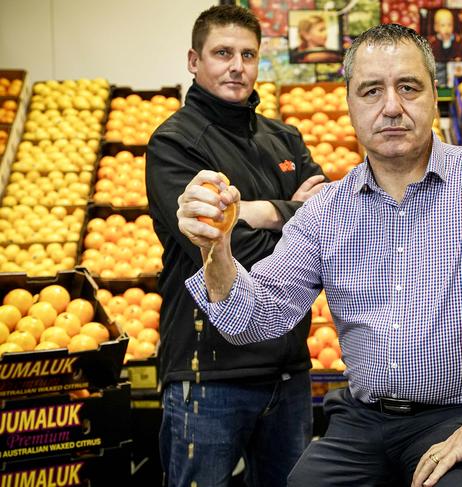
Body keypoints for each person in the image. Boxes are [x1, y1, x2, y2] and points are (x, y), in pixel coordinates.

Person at [177, 24, 462, 487]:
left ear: (433, 95)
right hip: (363, 421)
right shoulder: (325, 212)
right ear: (351, 105)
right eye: (372, 90)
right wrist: (215, 248)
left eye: (408, 87)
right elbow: (253, 319)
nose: (391, 107)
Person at [145, 5, 326, 487]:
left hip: (288, 371)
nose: (237, 66)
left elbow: (326, 230)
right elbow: (225, 248)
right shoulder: (173, 143)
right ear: (193, 60)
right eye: (222, 53)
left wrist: (248, 210)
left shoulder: (285, 138)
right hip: (208, 375)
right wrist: (284, 210)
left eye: (248, 54)